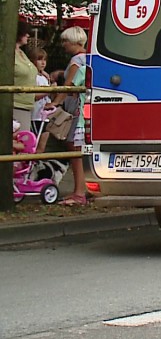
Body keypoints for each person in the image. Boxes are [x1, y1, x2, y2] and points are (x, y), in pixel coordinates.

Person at [46, 26, 88, 206]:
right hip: (83, 105)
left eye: (65, 41)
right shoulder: (88, 58)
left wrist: (55, 102)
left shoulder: (76, 61)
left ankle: (78, 192)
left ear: (74, 42)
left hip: (74, 107)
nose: (63, 44)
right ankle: (83, 189)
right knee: (80, 150)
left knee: (74, 149)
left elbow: (68, 85)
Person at [13, 21, 38, 131]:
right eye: (25, 32)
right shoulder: (7, 54)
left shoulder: (22, 53)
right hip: (15, 105)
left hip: (27, 106)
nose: (28, 35)